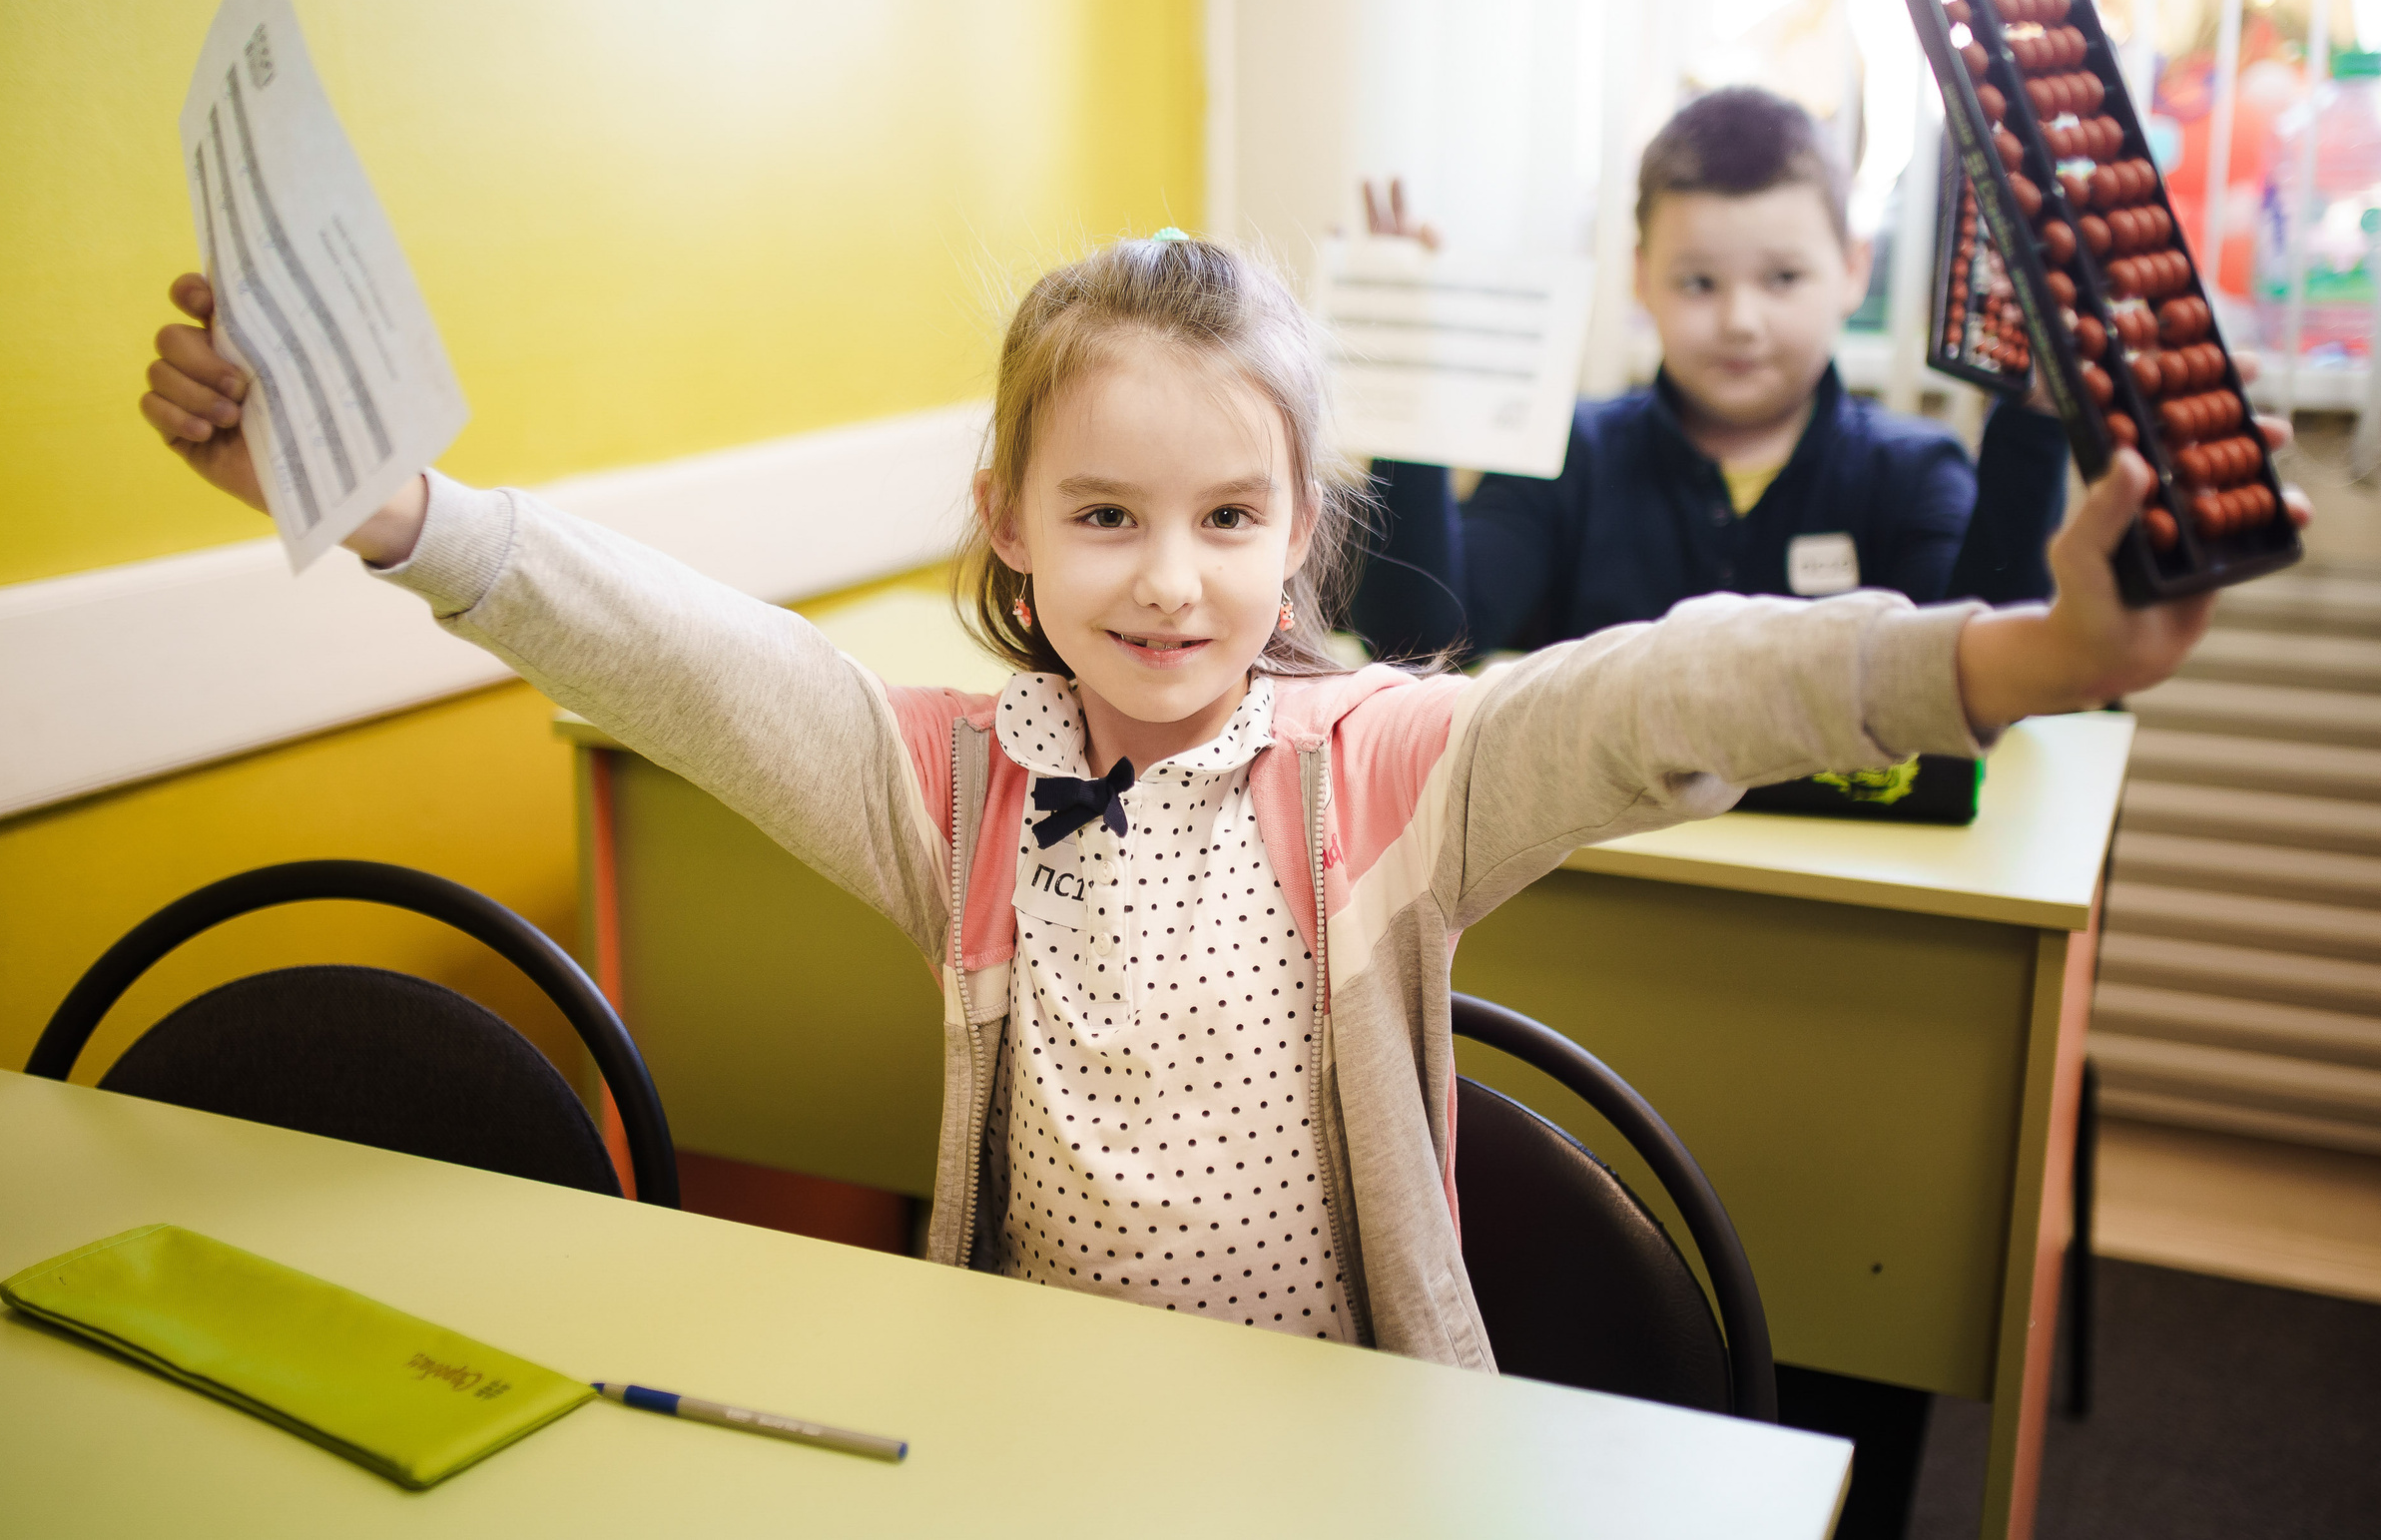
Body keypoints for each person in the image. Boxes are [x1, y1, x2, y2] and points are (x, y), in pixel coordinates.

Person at [138, 230, 2290, 1369]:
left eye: (1224, 514)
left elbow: (1667, 686)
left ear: (1298, 527)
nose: (1166, 579)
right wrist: (391, 503)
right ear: (1004, 525)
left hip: (1334, 1442)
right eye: (1101, 514)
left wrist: (2018, 656)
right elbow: (684, 658)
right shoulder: (961, 788)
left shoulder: (1386, 774)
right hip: (1040, 1419)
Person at [1352, 87, 2076, 664]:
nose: (1740, 320)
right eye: (1698, 283)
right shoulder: (1568, 453)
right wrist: (1404, 391)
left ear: (1854, 271)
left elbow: (1981, 662)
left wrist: (2035, 422)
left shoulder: (1912, 472)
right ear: (1642, 280)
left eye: (1783, 278)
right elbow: (1419, 649)